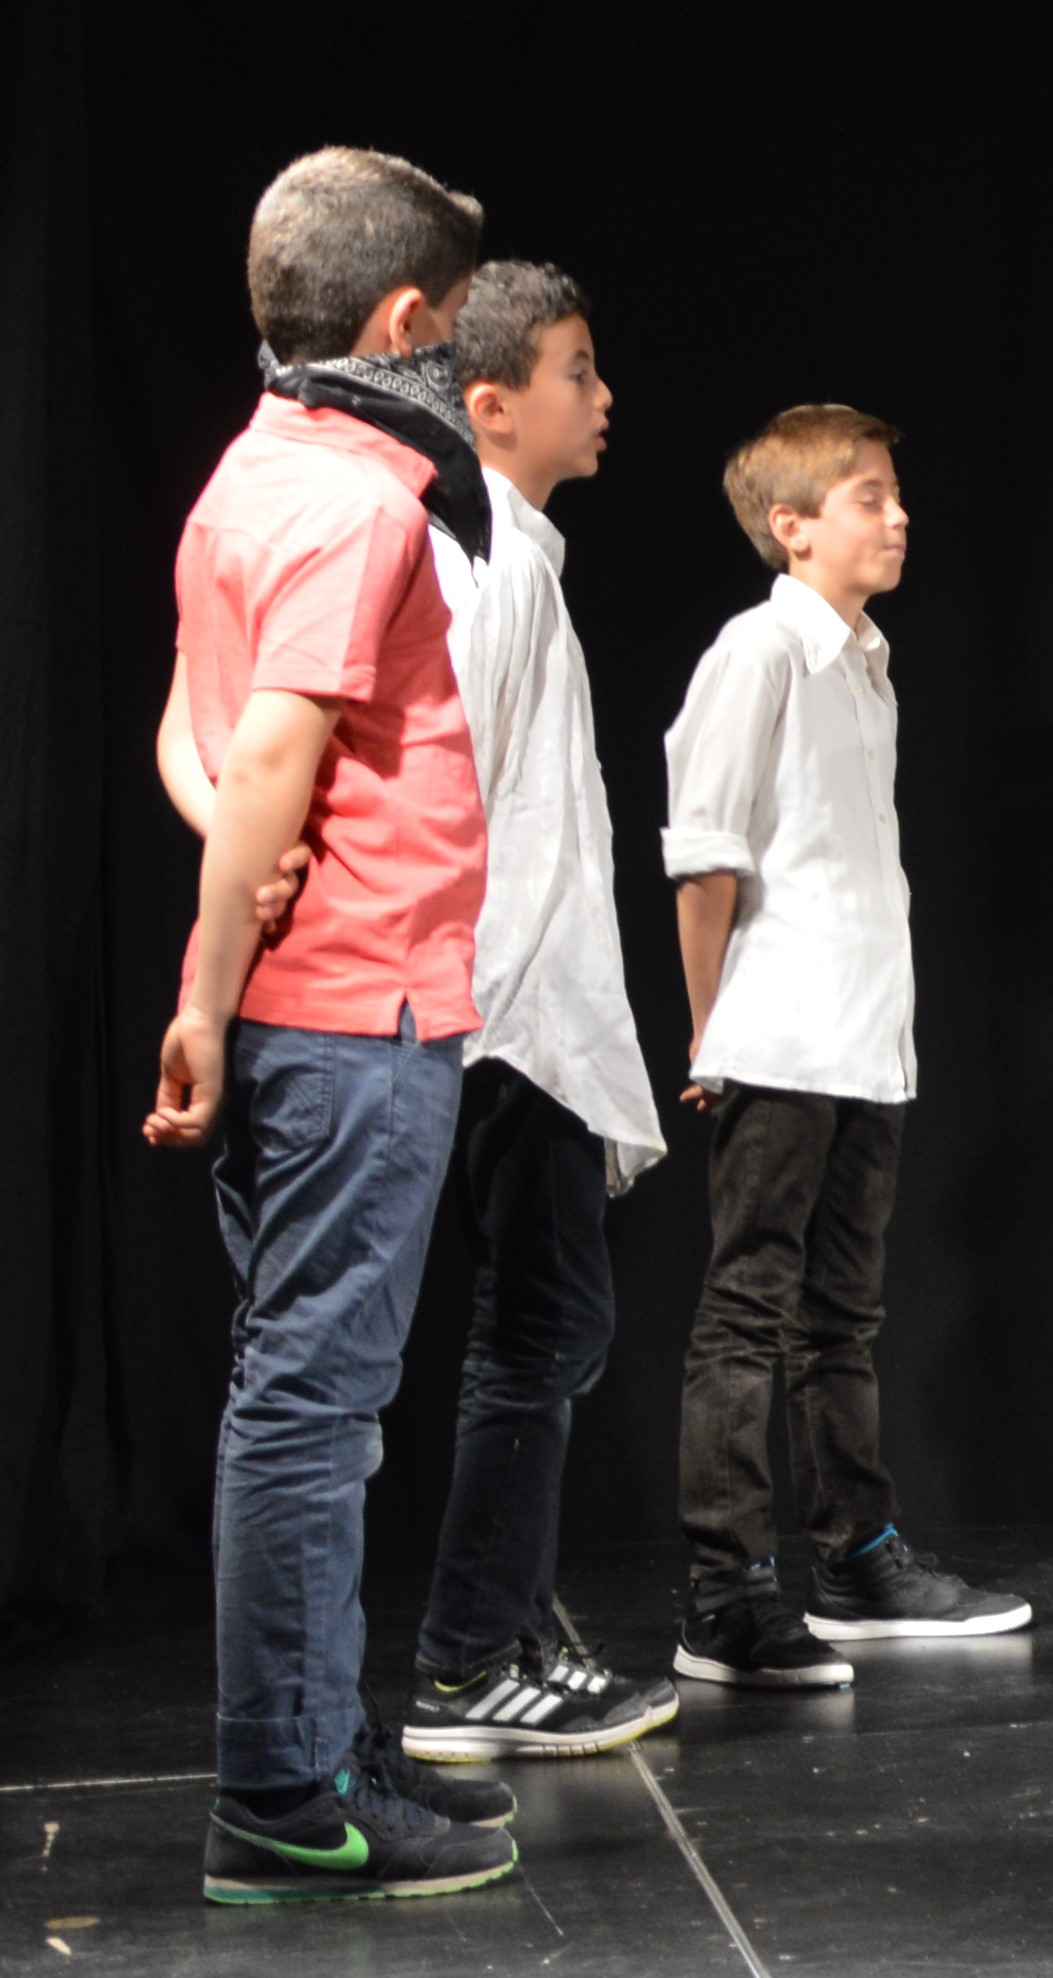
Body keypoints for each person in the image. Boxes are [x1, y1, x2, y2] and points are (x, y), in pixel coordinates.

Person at [154, 260, 683, 1757]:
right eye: (577, 371)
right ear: (484, 397)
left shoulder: (496, 550)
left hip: (495, 996)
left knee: (507, 1334)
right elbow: (314, 754)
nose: (604, 398)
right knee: (489, 1337)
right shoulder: (462, 553)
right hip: (483, 1001)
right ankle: (462, 1657)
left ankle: (470, 1649)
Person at [151, 145, 517, 1904]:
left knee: (310, 1401)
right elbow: (264, 755)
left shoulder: (251, 470)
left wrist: (239, 838)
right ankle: (284, 1795)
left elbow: (192, 730)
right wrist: (203, 998)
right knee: (311, 1410)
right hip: (352, 1015)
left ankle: (317, 1738)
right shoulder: (358, 506)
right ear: (404, 321)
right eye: (455, 331)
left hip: (325, 1002)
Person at [662, 404, 1028, 1688]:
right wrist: (711, 1028)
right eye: (869, 496)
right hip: (780, 1034)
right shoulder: (759, 650)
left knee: (841, 1317)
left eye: (894, 493)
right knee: (748, 1309)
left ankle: (856, 1557)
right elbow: (705, 856)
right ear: (793, 524)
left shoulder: (866, 662)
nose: (898, 514)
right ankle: (724, 1592)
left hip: (868, 1037)